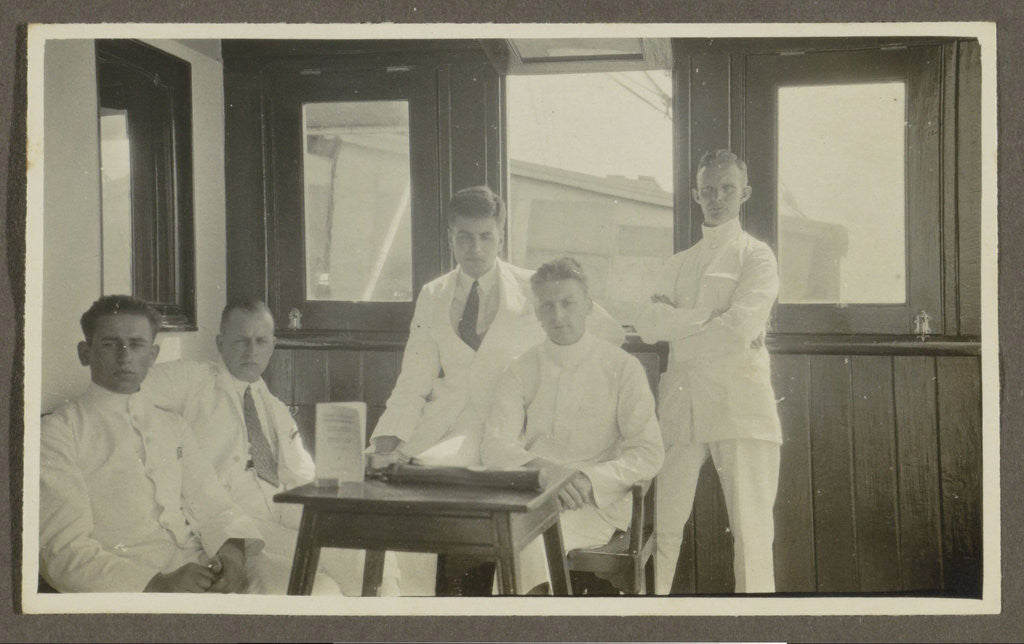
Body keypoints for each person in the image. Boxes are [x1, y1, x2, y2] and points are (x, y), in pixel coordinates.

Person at [370, 186, 625, 594]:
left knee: (508, 514)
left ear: (500, 236)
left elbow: (605, 332)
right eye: (464, 237)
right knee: (404, 497)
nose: (475, 247)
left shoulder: (531, 286)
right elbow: (412, 382)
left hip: (513, 432)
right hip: (450, 431)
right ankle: (409, 610)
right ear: (450, 236)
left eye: (486, 236)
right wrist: (387, 439)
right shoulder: (432, 295)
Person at [143, 299, 391, 595]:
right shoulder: (194, 380)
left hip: (281, 511)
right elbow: (132, 389)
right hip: (236, 521)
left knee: (372, 561)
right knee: (322, 586)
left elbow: (301, 474)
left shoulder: (274, 406)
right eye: (241, 341)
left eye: (261, 341)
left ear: (273, 345)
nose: (252, 351)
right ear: (220, 343)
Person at [39, 295, 263, 593]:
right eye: (109, 344)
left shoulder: (173, 425)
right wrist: (156, 584)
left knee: (309, 585)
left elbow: (213, 503)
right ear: (85, 352)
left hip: (203, 567)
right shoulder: (58, 432)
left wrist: (232, 554)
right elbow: (62, 551)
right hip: (131, 584)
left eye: (136, 344)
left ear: (153, 354)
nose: (124, 356)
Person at [635, 149, 783, 594]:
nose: (717, 198)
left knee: (753, 535)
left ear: (745, 193)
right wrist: (711, 318)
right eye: (708, 190)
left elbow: (740, 328)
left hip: (741, 407)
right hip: (682, 407)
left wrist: (681, 325)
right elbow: (647, 326)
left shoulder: (757, 257)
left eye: (727, 189)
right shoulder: (679, 263)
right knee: (664, 531)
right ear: (695, 194)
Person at [481, 257, 665, 594]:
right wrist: (545, 471)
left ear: (589, 306)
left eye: (568, 303)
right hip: (535, 496)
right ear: (536, 311)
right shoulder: (521, 368)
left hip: (594, 502)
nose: (558, 316)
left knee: (527, 543)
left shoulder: (622, 368)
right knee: (519, 537)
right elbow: (494, 444)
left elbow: (648, 453)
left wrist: (585, 479)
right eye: (547, 306)